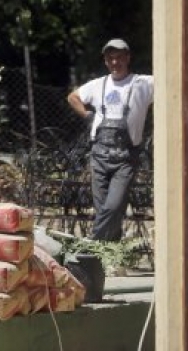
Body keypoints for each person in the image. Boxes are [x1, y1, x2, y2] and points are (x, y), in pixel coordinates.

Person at [67, 39, 153, 241]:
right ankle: (110, 253)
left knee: (113, 207)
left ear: (128, 58)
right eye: (110, 58)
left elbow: (173, 83)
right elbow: (73, 97)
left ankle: (92, 244)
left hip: (126, 158)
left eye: (119, 58)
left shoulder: (143, 83)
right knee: (103, 209)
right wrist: (88, 116)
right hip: (99, 156)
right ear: (106, 61)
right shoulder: (98, 84)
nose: (115, 62)